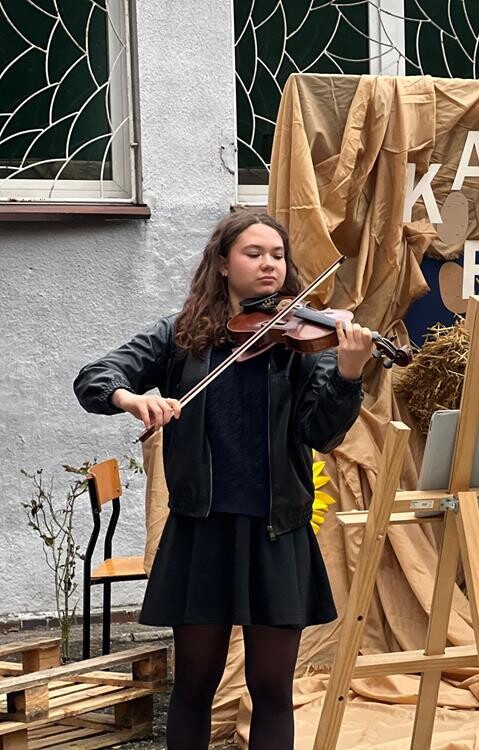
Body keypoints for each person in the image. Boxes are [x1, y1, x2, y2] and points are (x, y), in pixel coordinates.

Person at [74, 210, 371, 749]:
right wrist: (131, 398)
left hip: (276, 532)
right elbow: (95, 377)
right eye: (253, 254)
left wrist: (349, 375)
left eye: (277, 255)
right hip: (202, 530)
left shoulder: (304, 343)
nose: (269, 265)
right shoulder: (180, 336)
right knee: (194, 684)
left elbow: (322, 434)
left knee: (272, 690)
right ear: (222, 264)